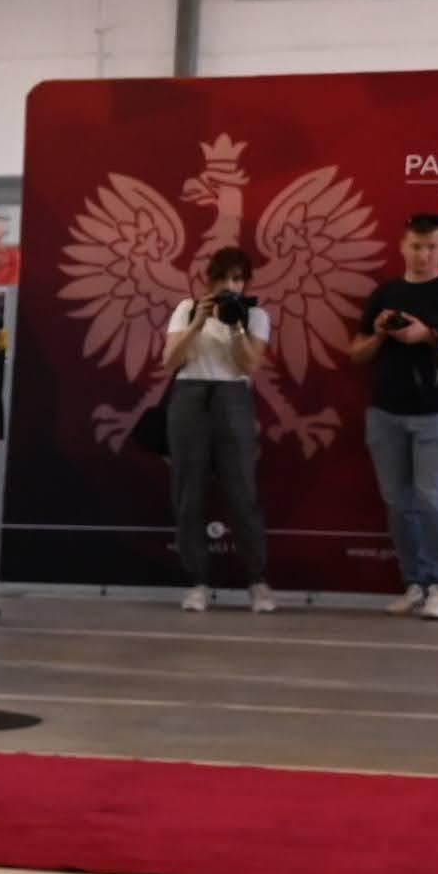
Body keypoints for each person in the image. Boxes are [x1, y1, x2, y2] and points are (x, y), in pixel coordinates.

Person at [351, 210, 438, 619]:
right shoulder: (385, 294)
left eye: (431, 247)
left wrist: (428, 335)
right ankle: (414, 582)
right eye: (416, 246)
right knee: (398, 503)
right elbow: (356, 353)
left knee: (432, 500)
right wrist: (381, 333)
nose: (423, 255)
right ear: (402, 247)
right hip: (386, 412)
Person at [161, 245, 279, 613]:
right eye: (224, 279)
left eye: (238, 279)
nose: (231, 286)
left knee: (242, 490)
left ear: (246, 283)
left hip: (233, 396)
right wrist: (198, 323)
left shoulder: (255, 315)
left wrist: (236, 326)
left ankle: (257, 581)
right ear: (210, 281)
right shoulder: (187, 309)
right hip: (190, 395)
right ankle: (197, 582)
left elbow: (249, 366)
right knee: (189, 492)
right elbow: (169, 361)